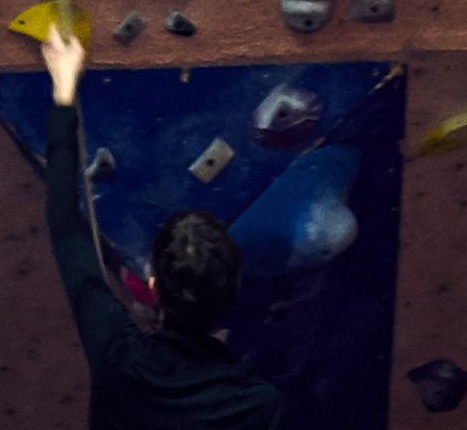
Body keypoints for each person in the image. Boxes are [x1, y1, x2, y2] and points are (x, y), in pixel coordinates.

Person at [38, 23, 285, 430]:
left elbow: (65, 224)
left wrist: (63, 89)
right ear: (235, 289)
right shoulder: (258, 407)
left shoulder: (118, 358)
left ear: (153, 287)